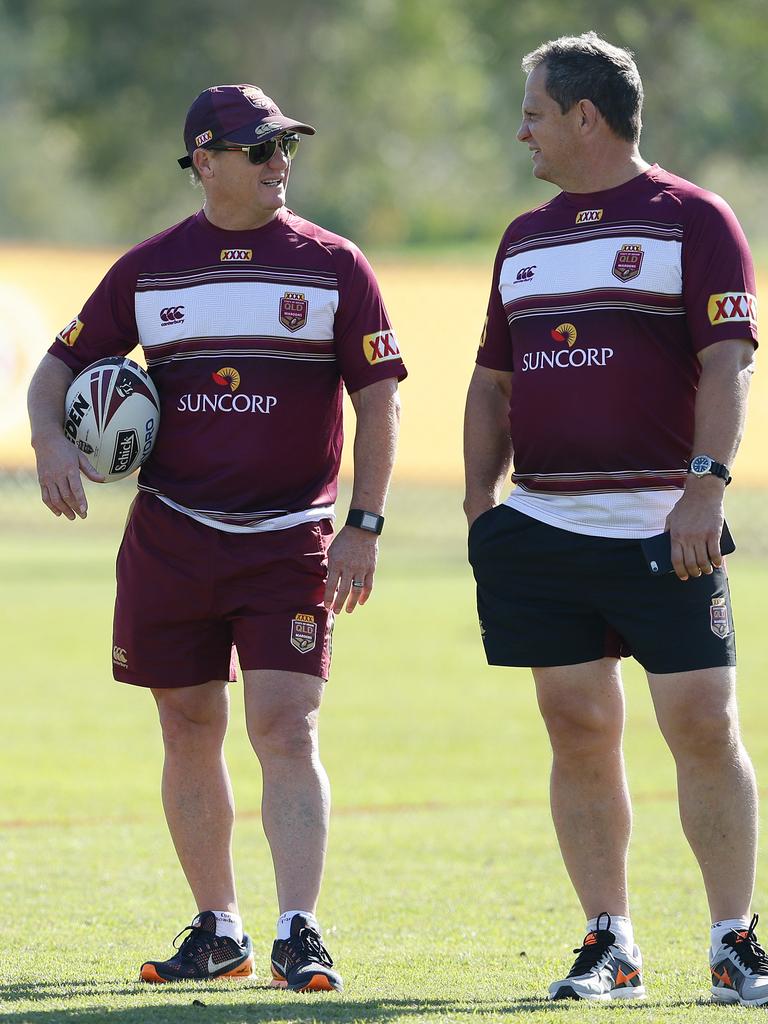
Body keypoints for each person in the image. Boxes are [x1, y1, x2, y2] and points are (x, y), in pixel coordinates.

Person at [28, 83, 406, 992]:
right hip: (172, 538)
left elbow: (380, 398)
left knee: (286, 725)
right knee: (187, 723)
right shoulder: (150, 268)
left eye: (286, 147)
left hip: (289, 541)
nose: (280, 161)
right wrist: (49, 442)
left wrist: (364, 522)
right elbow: (56, 371)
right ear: (205, 159)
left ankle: (301, 930)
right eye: (258, 147)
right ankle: (220, 927)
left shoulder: (334, 264)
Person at [463, 33, 763, 1005]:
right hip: (543, 527)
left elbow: (730, 363)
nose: (524, 133)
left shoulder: (695, 220)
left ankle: (733, 942)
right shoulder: (524, 236)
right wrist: (480, 504)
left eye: (536, 114)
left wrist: (705, 488)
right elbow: (492, 381)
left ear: (585, 117)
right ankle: (610, 945)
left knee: (703, 723)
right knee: (577, 724)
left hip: (663, 522)